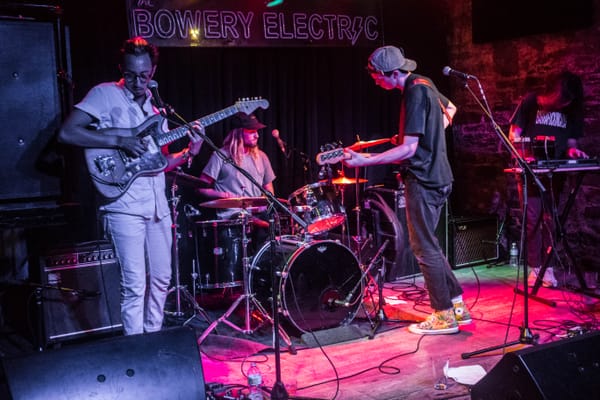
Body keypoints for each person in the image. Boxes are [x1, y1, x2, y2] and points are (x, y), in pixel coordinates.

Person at [58, 37, 204, 335]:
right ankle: (135, 351)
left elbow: (159, 164)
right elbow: (68, 133)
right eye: (131, 74)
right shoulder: (104, 94)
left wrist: (190, 152)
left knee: (162, 278)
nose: (138, 81)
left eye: (144, 75)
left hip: (157, 207)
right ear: (121, 68)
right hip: (122, 203)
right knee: (135, 284)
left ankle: (152, 341)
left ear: (153, 71)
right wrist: (119, 140)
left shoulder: (157, 110)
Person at [343, 45, 469, 335]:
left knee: (424, 249)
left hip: (424, 180)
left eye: (376, 76)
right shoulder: (424, 82)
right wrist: (428, 134)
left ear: (392, 73)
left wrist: (366, 160)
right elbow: (450, 110)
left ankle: (443, 317)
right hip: (440, 177)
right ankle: (457, 307)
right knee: (431, 246)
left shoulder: (413, 92)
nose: (374, 80)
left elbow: (409, 150)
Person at [508, 70, 588, 288]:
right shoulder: (530, 102)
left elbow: (571, 143)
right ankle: (535, 268)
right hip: (530, 171)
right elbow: (513, 134)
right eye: (561, 99)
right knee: (533, 219)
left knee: (551, 219)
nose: (563, 105)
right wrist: (525, 156)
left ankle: (549, 268)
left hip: (555, 172)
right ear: (552, 91)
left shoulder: (571, 108)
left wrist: (573, 152)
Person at [197, 112, 276, 239]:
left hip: (256, 214)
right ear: (238, 132)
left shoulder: (262, 157)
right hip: (231, 218)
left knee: (272, 226)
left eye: (257, 131)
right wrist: (223, 195)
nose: (257, 135)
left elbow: (269, 190)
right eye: (251, 131)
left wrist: (264, 202)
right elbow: (201, 188)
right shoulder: (220, 156)